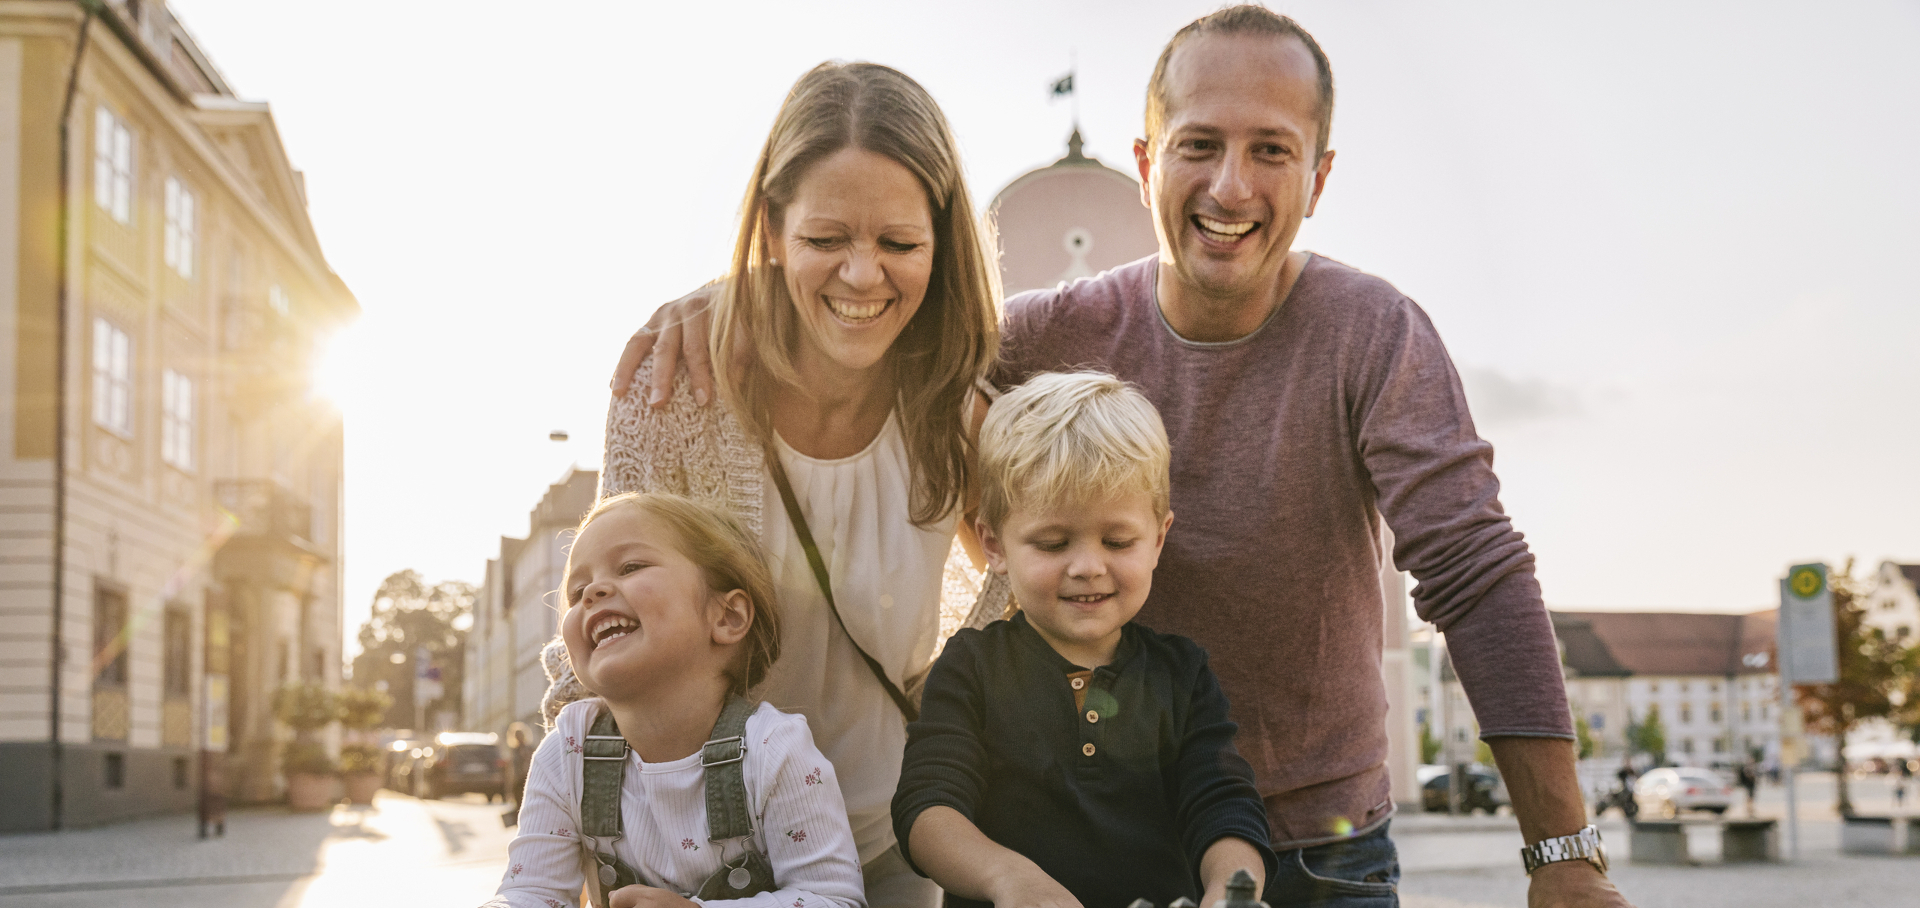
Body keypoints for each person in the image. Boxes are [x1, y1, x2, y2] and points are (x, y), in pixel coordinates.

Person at [613, 8, 1632, 907]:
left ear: (1318, 178)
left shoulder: (1372, 332)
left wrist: (1563, 846)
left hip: (1320, 841)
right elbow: (877, 300)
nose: (1230, 185)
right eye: (1199, 144)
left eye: (1271, 149)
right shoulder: (1034, 337)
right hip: (1103, 838)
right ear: (1148, 163)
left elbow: (1472, 565)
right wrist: (721, 297)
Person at [564, 61, 1001, 908]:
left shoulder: (964, 421)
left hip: (890, 861)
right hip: (689, 868)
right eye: (825, 240)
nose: (863, 276)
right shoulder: (675, 390)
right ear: (771, 230)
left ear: (942, 246)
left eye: (900, 244)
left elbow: (1026, 607)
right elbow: (600, 638)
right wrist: (581, 851)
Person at [893, 372, 1275, 908]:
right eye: (1052, 543)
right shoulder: (972, 665)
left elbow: (1223, 803)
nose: (1088, 567)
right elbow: (928, 809)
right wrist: (1006, 878)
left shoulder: (1182, 675)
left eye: (1117, 541)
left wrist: (1232, 889)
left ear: (1159, 538)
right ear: (994, 544)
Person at [489, 493, 864, 908]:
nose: (592, 591)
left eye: (631, 567)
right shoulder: (567, 751)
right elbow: (529, 893)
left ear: (727, 617)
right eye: (577, 592)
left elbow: (833, 899)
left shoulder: (775, 750)